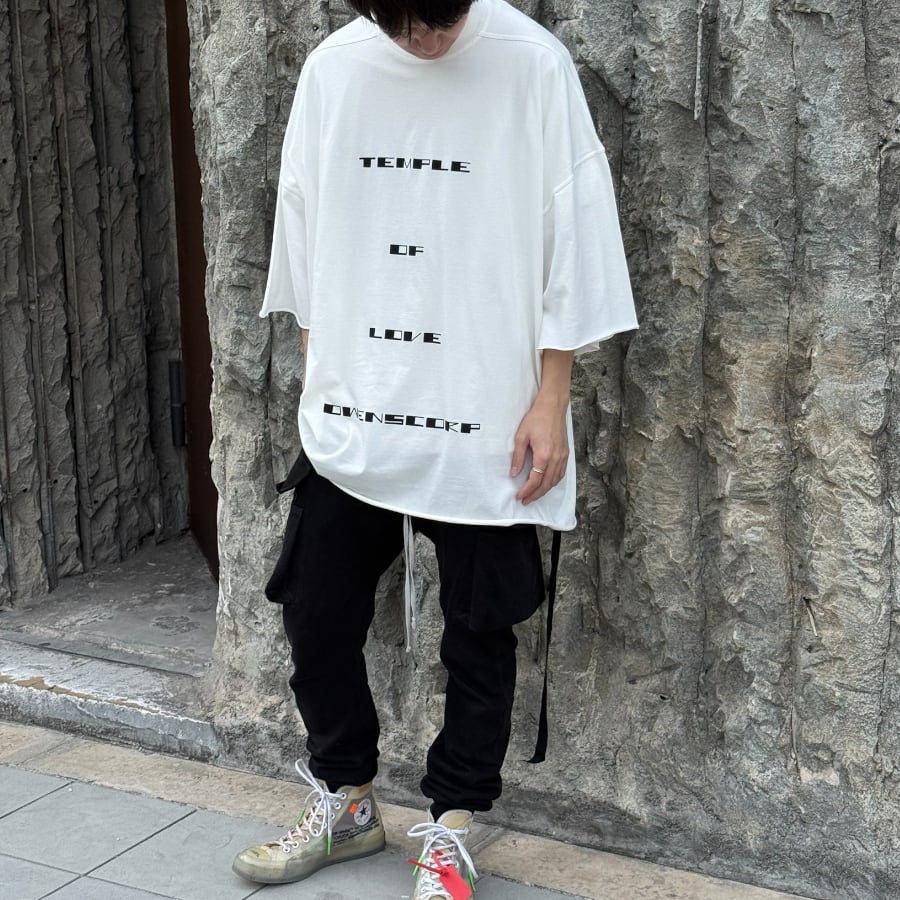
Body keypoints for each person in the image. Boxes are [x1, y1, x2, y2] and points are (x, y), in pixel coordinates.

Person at [231, 0, 637, 896]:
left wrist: (552, 396)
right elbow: (303, 218)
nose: (424, 40)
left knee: (480, 626)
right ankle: (348, 800)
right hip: (359, 400)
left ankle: (452, 822)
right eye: (402, 22)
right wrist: (317, 367)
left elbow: (575, 233)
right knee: (314, 606)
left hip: (486, 405)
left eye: (439, 18)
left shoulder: (531, 63)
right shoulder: (335, 69)